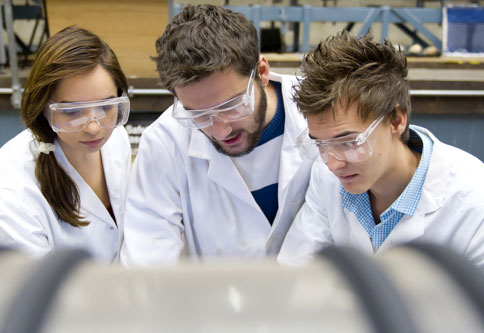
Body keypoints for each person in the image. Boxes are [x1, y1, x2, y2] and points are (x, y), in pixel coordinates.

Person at [121, 4, 313, 266]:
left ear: (262, 72)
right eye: (198, 115)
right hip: (215, 303)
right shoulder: (165, 142)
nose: (221, 130)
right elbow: (146, 262)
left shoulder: (319, 114)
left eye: (232, 106)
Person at [278, 31, 484, 269]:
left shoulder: (474, 201)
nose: (333, 164)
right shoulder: (326, 179)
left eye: (348, 142)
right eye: (321, 145)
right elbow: (297, 277)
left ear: (396, 121)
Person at [0, 26, 131, 262]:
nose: (94, 127)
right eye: (72, 111)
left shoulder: (117, 140)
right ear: (43, 107)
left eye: (106, 107)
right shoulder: (12, 180)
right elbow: (31, 285)